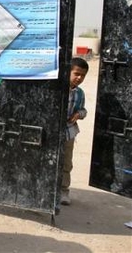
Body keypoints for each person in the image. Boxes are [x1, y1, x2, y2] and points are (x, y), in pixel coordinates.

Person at [61, 57, 89, 205]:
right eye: (76, 73)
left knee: (66, 163)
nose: (79, 78)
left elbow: (83, 110)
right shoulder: (58, 88)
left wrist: (79, 114)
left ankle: (64, 191)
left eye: (83, 75)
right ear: (68, 72)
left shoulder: (80, 93)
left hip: (69, 132)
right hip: (54, 131)